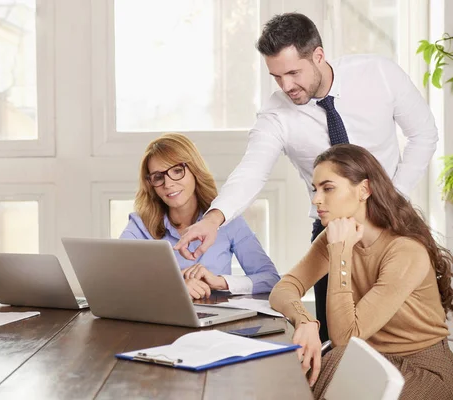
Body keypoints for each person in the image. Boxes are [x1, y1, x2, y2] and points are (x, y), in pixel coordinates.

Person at [174, 12, 438, 342]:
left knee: (401, 330)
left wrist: (387, 198)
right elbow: (251, 172)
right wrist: (212, 220)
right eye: (276, 76)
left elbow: (424, 134)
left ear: (318, 55)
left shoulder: (379, 74)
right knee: (336, 337)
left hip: (393, 219)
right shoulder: (277, 112)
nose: (286, 86)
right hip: (331, 231)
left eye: (293, 73)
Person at [269, 144, 453, 399]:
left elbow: (345, 338)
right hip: (362, 358)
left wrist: (340, 254)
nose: (316, 199)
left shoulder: (405, 251)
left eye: (328, 188)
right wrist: (306, 321)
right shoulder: (334, 235)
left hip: (420, 368)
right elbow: (284, 288)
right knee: (284, 382)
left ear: (364, 190)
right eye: (315, 189)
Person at [120, 133, 279, 299]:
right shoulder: (140, 225)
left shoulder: (227, 220)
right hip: (158, 320)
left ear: (195, 170)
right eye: (158, 177)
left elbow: (271, 279)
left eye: (177, 171)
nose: (168, 184)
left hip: (217, 320)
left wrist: (220, 282)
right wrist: (174, 284)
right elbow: (117, 277)